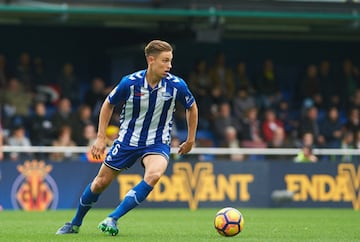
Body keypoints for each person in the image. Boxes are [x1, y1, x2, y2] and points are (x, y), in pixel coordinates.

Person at [56, 40, 198, 236]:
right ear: (151, 60)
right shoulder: (130, 82)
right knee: (100, 183)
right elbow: (108, 104)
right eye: (165, 61)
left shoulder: (176, 85)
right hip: (127, 141)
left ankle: (112, 218)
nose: (169, 66)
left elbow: (192, 107)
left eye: (170, 61)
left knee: (154, 175)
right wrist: (100, 138)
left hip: (157, 142)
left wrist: (190, 139)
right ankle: (75, 223)